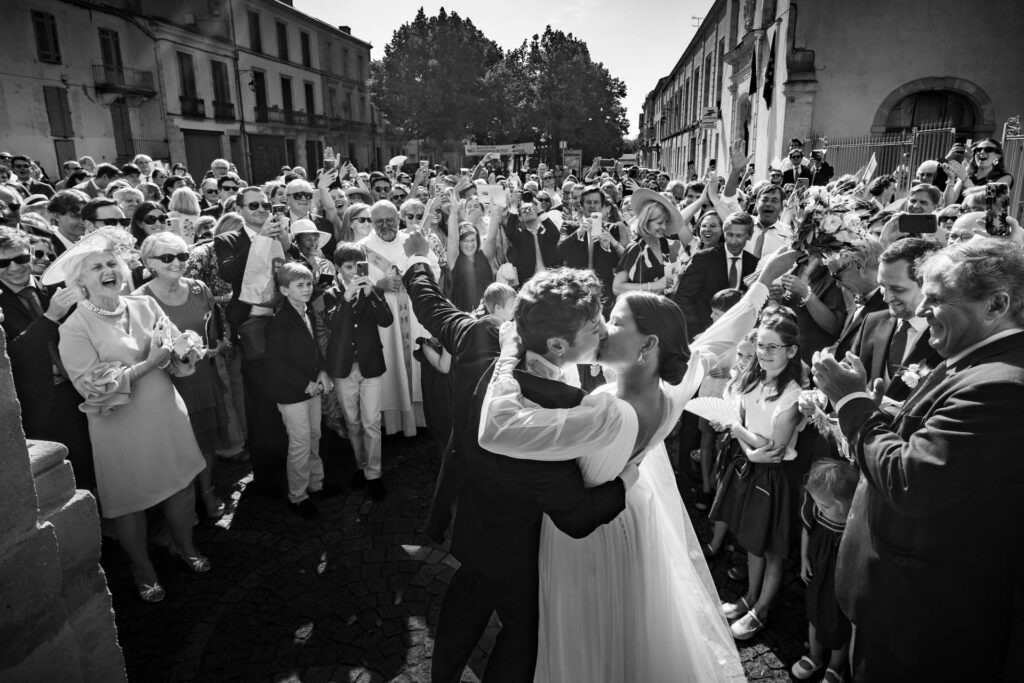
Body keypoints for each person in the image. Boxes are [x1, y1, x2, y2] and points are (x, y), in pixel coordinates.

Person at [475, 247, 800, 681]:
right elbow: (716, 338)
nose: (603, 331)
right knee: (629, 635)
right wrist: (762, 282)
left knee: (590, 642)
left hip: (584, 545)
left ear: (647, 345)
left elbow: (496, 428)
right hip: (632, 523)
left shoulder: (608, 413)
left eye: (615, 322)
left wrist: (508, 357)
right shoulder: (674, 389)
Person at [811, 238, 1024, 681]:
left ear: (997, 304)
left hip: (921, 619)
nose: (922, 313)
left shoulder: (1002, 385)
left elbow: (910, 480)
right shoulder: (973, 358)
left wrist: (851, 401)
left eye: (937, 300)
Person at [52, 228, 209, 603]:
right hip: (118, 427)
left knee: (181, 483)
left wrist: (185, 351)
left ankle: (185, 546)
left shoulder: (144, 305)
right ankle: (142, 568)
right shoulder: (73, 327)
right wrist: (149, 363)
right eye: (96, 267)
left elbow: (172, 352)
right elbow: (91, 387)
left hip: (167, 414)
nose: (107, 270)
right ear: (80, 281)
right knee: (130, 501)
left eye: (111, 263)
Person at [714, 313, 805, 641]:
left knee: (772, 548)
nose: (764, 353)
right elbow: (734, 419)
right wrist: (747, 447)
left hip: (776, 474)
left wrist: (741, 434)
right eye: (761, 346)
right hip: (750, 464)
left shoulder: (794, 394)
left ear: (791, 351)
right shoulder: (752, 378)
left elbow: (776, 448)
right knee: (752, 540)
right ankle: (750, 596)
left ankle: (762, 609)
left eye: (773, 347)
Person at [135, 232, 228, 519]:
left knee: (206, 440)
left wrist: (215, 348)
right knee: (177, 444)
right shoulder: (139, 299)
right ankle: (181, 506)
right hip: (168, 384)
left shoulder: (199, 288)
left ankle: (207, 490)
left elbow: (214, 331)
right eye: (166, 257)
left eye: (182, 256)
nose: (176, 262)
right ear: (148, 262)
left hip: (202, 378)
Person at [0, 227, 94, 489]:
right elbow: (11, 356)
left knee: (92, 459)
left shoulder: (57, 286)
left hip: (81, 388)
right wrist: (50, 317)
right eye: (2, 263)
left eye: (20, 258)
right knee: (62, 477)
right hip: (38, 402)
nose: (14, 268)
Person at [356, 200, 438, 436]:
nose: (385, 225)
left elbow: (434, 268)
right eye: (379, 221)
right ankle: (392, 422)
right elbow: (355, 284)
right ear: (371, 222)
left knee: (418, 361)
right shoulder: (362, 248)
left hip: (414, 313)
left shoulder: (413, 241)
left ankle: (422, 418)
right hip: (384, 320)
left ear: (398, 218)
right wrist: (380, 285)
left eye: (390, 220)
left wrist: (411, 279)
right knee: (391, 364)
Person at [324, 243, 393, 501]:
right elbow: (332, 323)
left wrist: (370, 294)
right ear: (338, 268)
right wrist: (346, 297)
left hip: (370, 365)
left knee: (372, 422)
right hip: (343, 368)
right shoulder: (330, 294)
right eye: (348, 267)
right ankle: (360, 466)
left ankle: (374, 475)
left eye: (358, 266)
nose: (354, 272)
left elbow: (385, 320)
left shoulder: (373, 290)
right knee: (353, 423)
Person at [265, 262, 334, 519]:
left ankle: (316, 483)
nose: (306, 289)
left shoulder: (306, 312)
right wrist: (305, 384)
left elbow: (316, 350)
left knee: (315, 435)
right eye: (300, 285)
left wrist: (322, 372)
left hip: (312, 388)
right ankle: (298, 495)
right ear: (284, 290)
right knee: (300, 442)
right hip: (293, 393)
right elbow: (274, 362)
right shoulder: (280, 320)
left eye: (308, 284)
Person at [790, 459, 859, 683]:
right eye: (818, 504)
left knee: (838, 623)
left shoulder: (853, 523)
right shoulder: (818, 512)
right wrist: (803, 560)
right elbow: (807, 531)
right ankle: (815, 657)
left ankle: (836, 667)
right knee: (814, 612)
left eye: (825, 506)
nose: (819, 508)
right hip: (817, 574)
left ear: (848, 502)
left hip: (840, 583)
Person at [851, 238, 942, 404]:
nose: (886, 297)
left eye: (897, 289)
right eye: (882, 286)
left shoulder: (948, 333)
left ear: (928, 285)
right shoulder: (872, 322)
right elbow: (849, 376)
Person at [673, 211, 758, 340]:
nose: (733, 241)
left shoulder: (754, 263)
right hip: (704, 334)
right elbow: (682, 297)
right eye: (729, 235)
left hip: (738, 336)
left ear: (749, 236)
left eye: (739, 236)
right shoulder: (703, 258)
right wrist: (697, 332)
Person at [612, 188, 691, 295]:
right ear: (645, 221)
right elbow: (617, 287)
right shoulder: (636, 247)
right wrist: (652, 286)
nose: (664, 226)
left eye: (666, 222)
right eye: (659, 223)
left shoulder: (663, 242)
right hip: (640, 308)